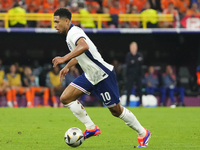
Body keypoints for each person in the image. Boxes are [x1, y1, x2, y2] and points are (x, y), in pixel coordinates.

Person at [52, 8, 151, 147]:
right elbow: (80, 54)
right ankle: (91, 128)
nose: (55, 25)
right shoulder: (70, 34)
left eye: (57, 22)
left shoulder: (74, 33)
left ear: (66, 21)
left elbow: (84, 46)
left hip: (102, 75)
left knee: (116, 111)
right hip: (89, 75)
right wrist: (68, 65)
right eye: (54, 22)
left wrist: (64, 58)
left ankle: (143, 132)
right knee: (65, 98)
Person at [125, 42, 143, 107]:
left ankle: (141, 103)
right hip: (130, 75)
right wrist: (136, 61)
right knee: (129, 90)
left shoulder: (139, 54)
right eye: (132, 47)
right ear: (130, 48)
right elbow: (128, 63)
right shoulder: (128, 55)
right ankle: (127, 103)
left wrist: (133, 61)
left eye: (134, 47)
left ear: (137, 48)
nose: (133, 48)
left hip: (138, 75)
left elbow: (142, 61)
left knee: (140, 89)